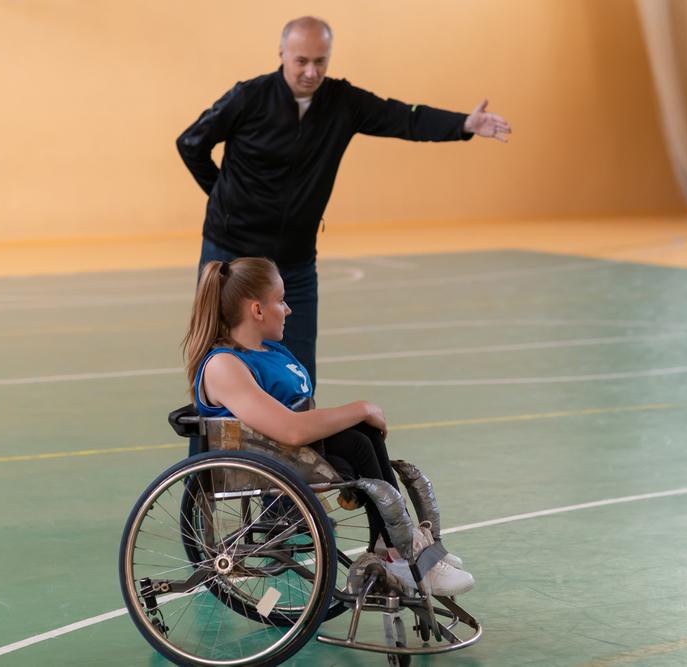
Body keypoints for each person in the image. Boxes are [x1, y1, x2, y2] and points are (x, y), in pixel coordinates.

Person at [177, 16, 512, 382]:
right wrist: (226, 198)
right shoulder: (248, 97)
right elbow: (191, 142)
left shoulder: (342, 102)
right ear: (282, 54)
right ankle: (209, 443)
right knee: (216, 364)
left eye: (320, 61)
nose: (310, 71)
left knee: (297, 372)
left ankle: (296, 439)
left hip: (294, 262)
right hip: (232, 252)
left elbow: (402, 118)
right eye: (301, 60)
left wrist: (464, 124)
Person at [182, 256, 474, 596]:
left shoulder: (270, 352)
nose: (288, 309)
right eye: (280, 300)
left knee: (362, 435)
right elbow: (291, 430)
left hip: (293, 455)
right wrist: (361, 407)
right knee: (359, 438)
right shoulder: (223, 366)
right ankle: (401, 553)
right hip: (267, 463)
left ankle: (399, 546)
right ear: (257, 310)